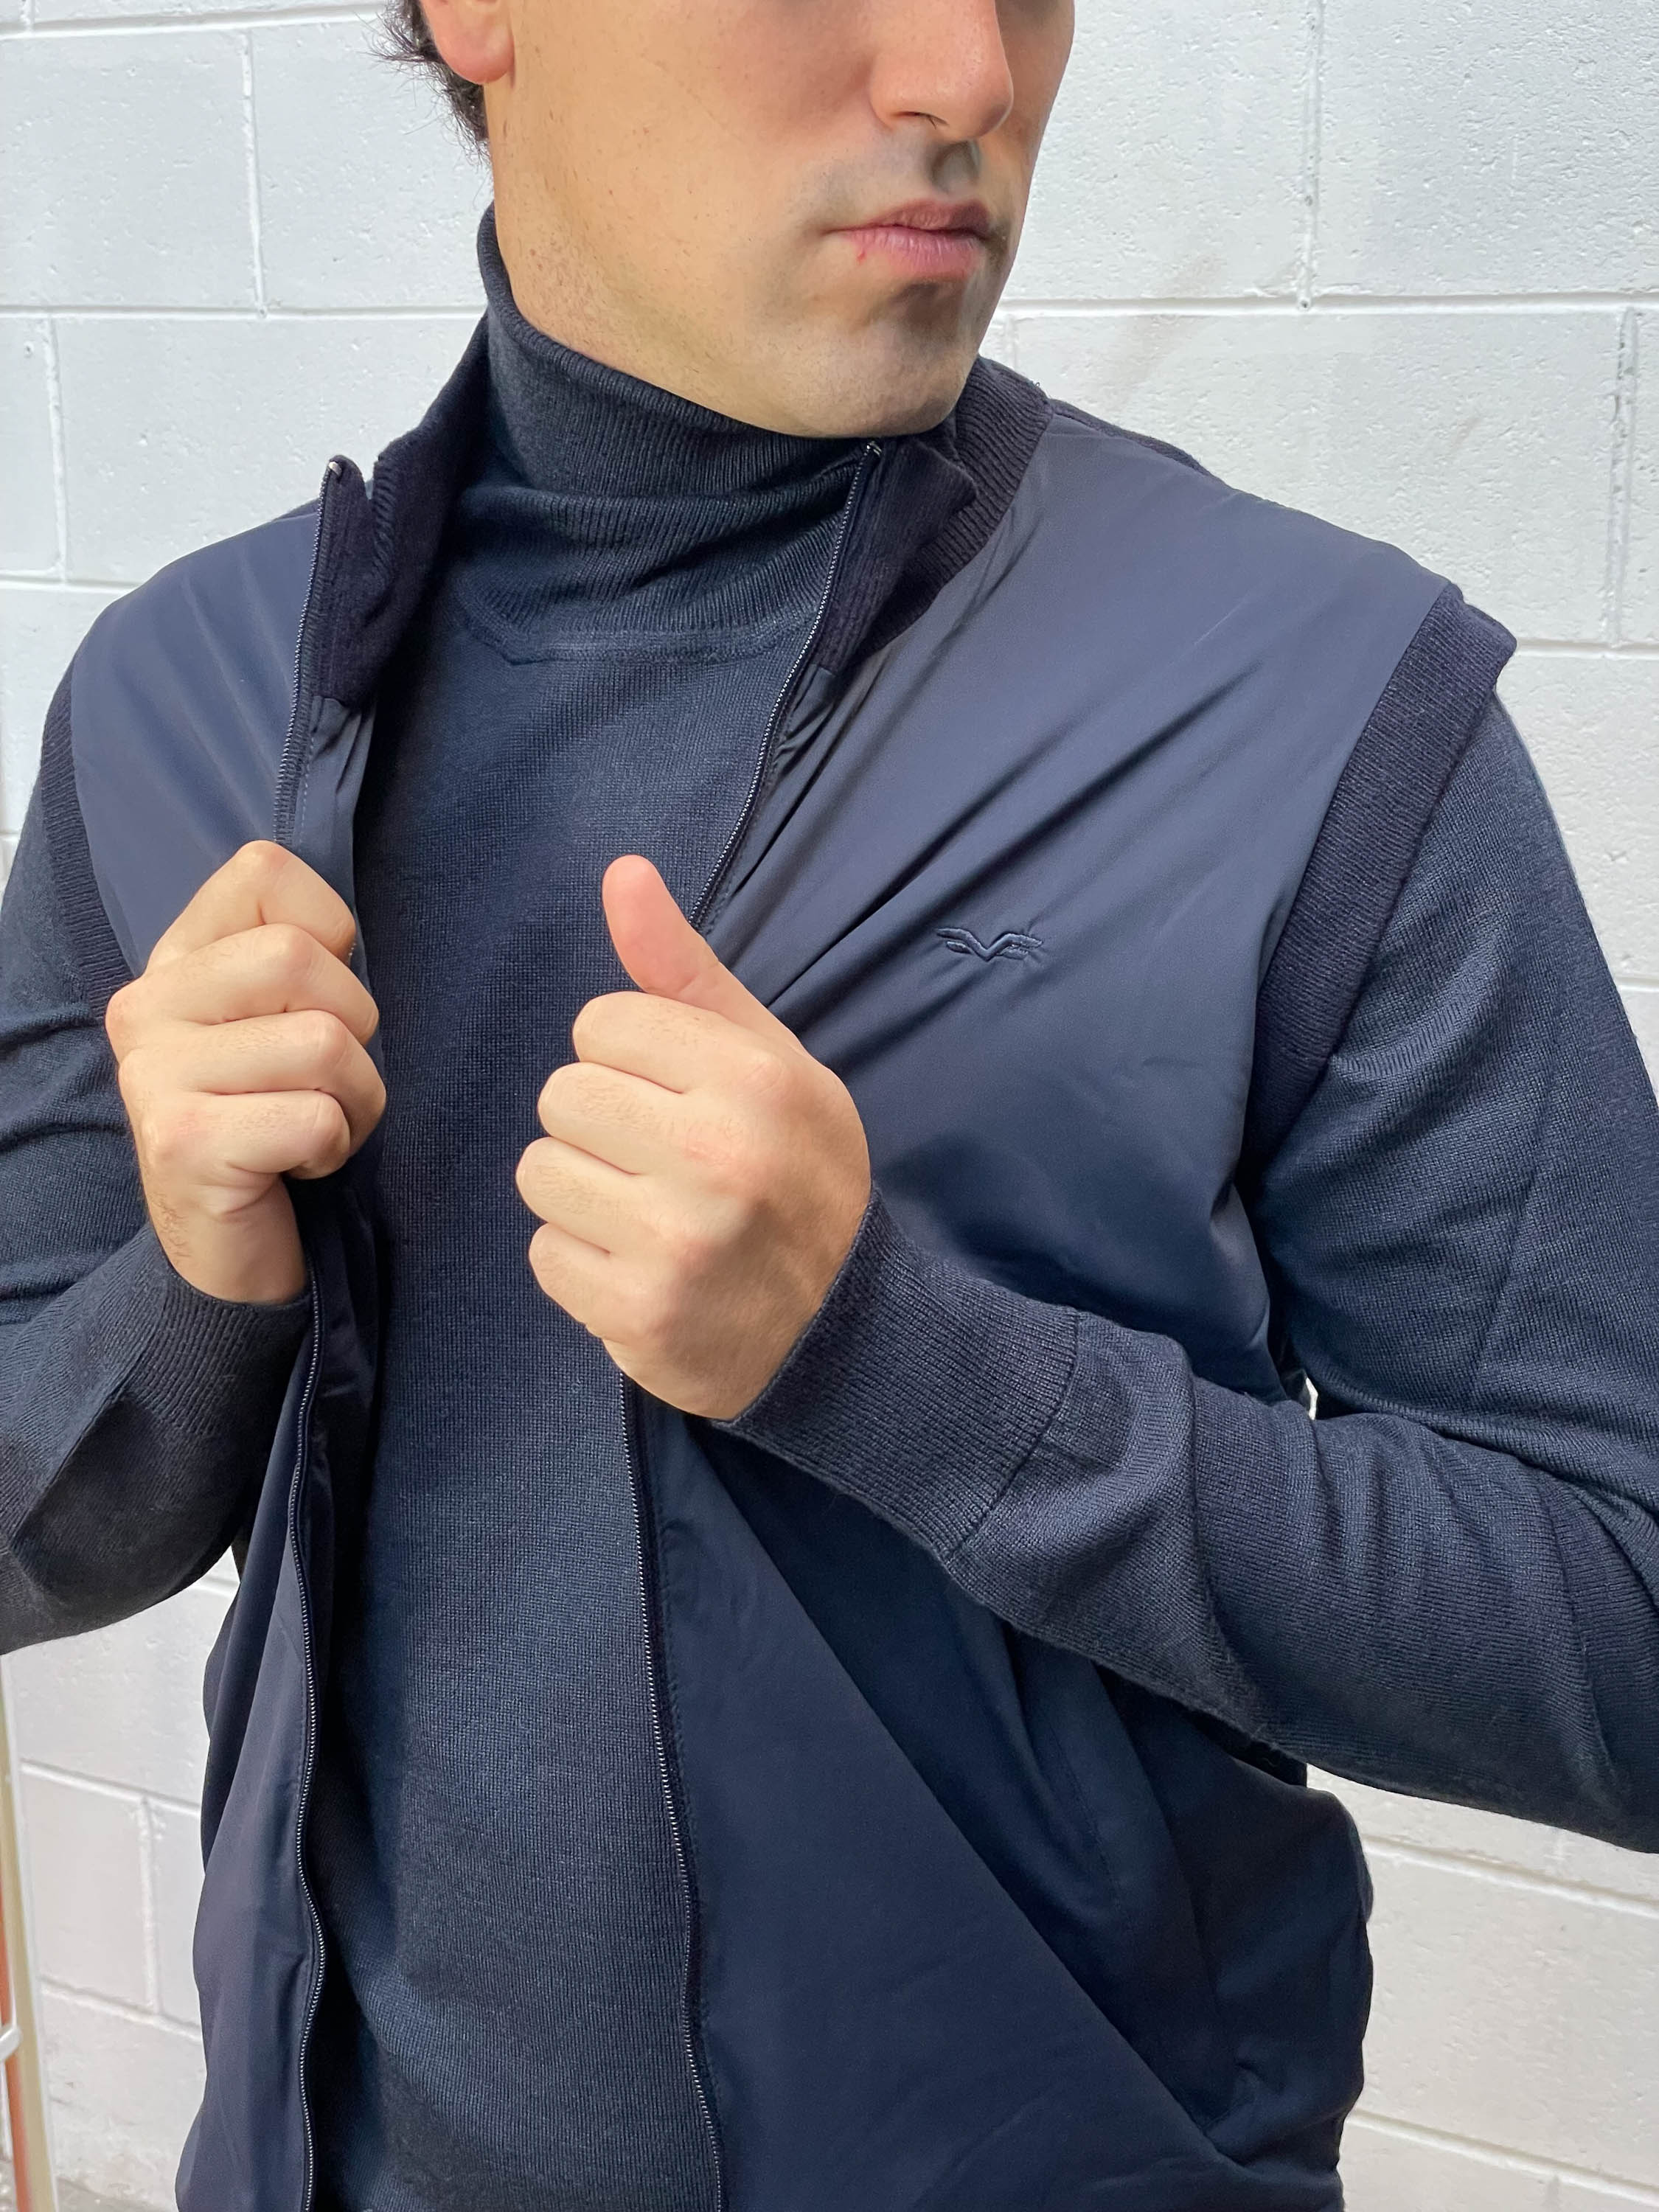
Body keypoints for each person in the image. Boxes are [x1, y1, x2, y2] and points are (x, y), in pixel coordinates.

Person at [2, 0, 1656, 2205]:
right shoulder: (181, 701)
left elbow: (1624, 1620)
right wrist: (198, 1292)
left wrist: (892, 1364)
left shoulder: (1319, 705)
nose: (968, 74)